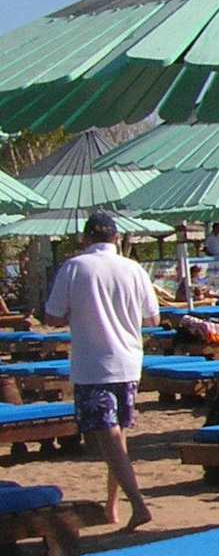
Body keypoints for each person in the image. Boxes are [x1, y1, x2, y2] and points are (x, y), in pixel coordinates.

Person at [42, 212, 159, 530]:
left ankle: (137, 503)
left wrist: (80, 312)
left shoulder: (75, 267)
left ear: (86, 238)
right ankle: (112, 505)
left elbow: (52, 317)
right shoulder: (134, 269)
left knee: (109, 437)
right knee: (116, 435)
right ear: (116, 238)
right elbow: (153, 319)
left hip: (94, 364)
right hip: (129, 362)